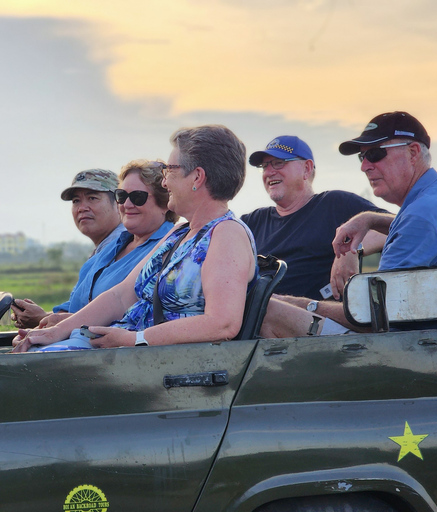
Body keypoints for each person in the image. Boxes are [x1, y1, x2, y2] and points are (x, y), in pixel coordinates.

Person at [13, 124, 258, 352]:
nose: (165, 181)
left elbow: (222, 323)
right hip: (127, 353)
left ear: (197, 177)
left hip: (157, 366)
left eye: (169, 170)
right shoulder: (180, 232)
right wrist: (56, 332)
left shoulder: (226, 234)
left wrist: (135, 340)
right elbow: (121, 295)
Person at [260, 111, 437, 337]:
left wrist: (301, 305)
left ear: (413, 152)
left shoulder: (422, 214)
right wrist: (369, 219)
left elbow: (374, 319)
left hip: (422, 352)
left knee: (268, 310)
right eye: (363, 157)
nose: (365, 166)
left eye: (376, 154)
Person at [242, 136, 388, 300]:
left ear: (307, 168)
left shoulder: (334, 204)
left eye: (278, 163)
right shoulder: (251, 223)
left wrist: (351, 249)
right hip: (253, 320)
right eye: (264, 166)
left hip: (317, 320)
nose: (269, 172)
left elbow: (398, 227)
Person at [38, 160, 177, 328]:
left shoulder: (171, 246)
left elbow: (133, 314)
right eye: (122, 196)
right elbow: (76, 303)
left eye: (137, 197)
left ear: (166, 203)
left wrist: (65, 324)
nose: (126, 204)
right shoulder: (113, 246)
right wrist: (49, 322)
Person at [11, 168, 126, 328]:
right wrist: (44, 317)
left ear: (119, 203)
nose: (82, 208)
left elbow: (105, 317)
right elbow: (82, 308)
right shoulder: (103, 249)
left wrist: (42, 320)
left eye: (92, 198)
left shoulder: (124, 245)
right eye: (76, 201)